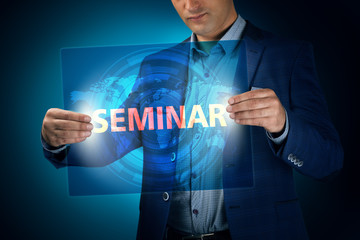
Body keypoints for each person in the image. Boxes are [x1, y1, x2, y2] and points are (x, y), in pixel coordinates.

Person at [41, 0, 343, 239]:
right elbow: (116, 140)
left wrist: (283, 125)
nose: (191, 4)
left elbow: (329, 162)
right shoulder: (155, 66)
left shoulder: (287, 56)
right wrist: (59, 141)